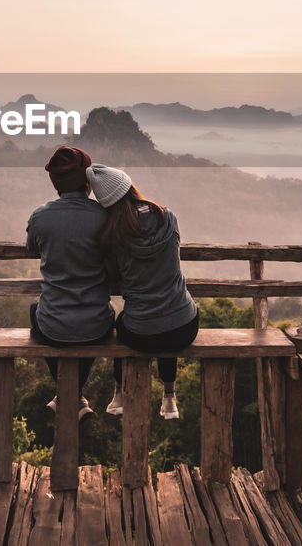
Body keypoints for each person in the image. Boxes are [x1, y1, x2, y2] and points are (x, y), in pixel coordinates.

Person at [86, 164, 198, 420]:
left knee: (123, 322)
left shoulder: (113, 235)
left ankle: (119, 392)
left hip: (140, 333)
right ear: (130, 186)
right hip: (184, 328)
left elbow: (113, 275)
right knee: (170, 315)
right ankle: (169, 396)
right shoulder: (167, 217)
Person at [26, 145, 114, 418]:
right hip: (96, 324)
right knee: (100, 321)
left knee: (36, 313)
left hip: (53, 325)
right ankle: (74, 396)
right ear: (87, 181)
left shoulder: (40, 217)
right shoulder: (104, 216)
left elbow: (32, 248)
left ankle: (67, 395)